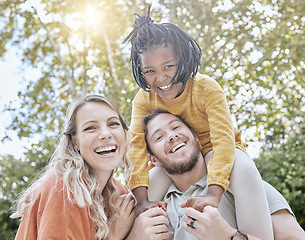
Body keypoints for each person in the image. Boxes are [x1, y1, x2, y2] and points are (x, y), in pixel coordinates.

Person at [124, 6, 273, 239]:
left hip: (215, 150)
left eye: (168, 67)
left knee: (243, 169)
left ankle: (257, 234)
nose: (161, 78)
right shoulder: (143, 99)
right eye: (149, 71)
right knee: (138, 194)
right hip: (177, 159)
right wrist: (142, 201)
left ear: (181, 59)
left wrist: (214, 193)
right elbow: (135, 148)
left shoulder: (206, 88)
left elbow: (224, 140)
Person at [10, 94, 173, 240]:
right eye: (90, 128)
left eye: (113, 124)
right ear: (75, 142)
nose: (105, 133)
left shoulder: (116, 193)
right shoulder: (65, 189)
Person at [142, 108, 305, 240]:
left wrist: (227, 235)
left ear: (196, 136)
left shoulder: (242, 184)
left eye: (176, 127)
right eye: (159, 137)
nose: (171, 136)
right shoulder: (155, 208)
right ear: (154, 160)